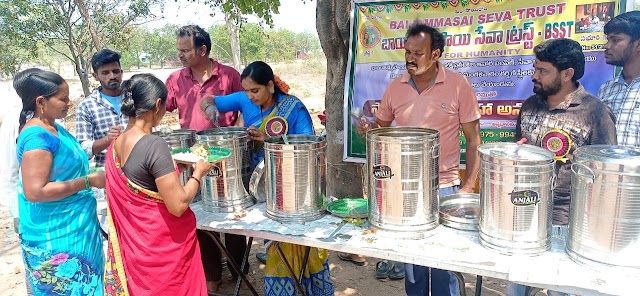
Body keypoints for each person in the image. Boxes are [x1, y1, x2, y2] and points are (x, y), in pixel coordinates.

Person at [356, 23, 481, 296]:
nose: (410, 58)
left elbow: (473, 140)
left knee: (444, 267)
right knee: (414, 269)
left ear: (435, 54)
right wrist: (368, 128)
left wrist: (468, 187)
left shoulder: (458, 85)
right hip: (406, 190)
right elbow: (381, 127)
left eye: (418, 53)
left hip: (445, 188)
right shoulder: (396, 87)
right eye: (407, 51)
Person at [199, 61, 333, 296]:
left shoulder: (293, 107)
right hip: (256, 185)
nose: (251, 97)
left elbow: (308, 144)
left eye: (256, 90)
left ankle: (303, 286)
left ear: (270, 85)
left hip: (291, 184)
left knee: (293, 238)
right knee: (271, 238)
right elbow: (208, 99)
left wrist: (269, 139)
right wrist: (210, 108)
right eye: (247, 91)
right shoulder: (243, 99)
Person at [508, 38, 617, 296]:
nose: (534, 76)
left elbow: (605, 177)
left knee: (562, 290)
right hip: (525, 213)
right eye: (535, 68)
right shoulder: (530, 105)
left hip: (568, 221)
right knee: (517, 284)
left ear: (567, 74)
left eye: (542, 71)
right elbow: (518, 149)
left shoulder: (595, 112)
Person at [103, 73, 213, 295]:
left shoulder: (115, 145)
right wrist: (198, 173)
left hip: (138, 253)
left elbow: (142, 178)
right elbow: (178, 205)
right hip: (164, 254)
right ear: (158, 104)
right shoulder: (154, 144)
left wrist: (173, 170)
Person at [165, 24, 248, 293]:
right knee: (200, 215)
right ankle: (212, 274)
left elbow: (246, 107)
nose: (180, 55)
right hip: (191, 158)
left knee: (233, 212)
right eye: (179, 50)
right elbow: (160, 105)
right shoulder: (177, 80)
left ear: (202, 49)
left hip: (229, 156)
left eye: (185, 50)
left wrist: (242, 133)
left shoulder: (229, 76)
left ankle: (238, 268)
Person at [15, 69, 106, 295]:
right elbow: (35, 191)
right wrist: (89, 181)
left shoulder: (53, 128)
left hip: (76, 228)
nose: (69, 102)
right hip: (56, 236)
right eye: (63, 98)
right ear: (41, 102)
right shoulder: (38, 137)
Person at [76, 49, 128, 168]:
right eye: (105, 73)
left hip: (140, 172)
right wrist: (108, 139)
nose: (112, 76)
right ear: (95, 76)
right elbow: (82, 150)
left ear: (121, 72)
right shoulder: (87, 106)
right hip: (107, 175)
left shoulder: (135, 98)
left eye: (115, 71)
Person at [599, 11, 640, 147]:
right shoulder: (606, 89)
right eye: (608, 39)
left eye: (615, 40)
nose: (607, 46)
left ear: (638, 45)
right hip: (607, 168)